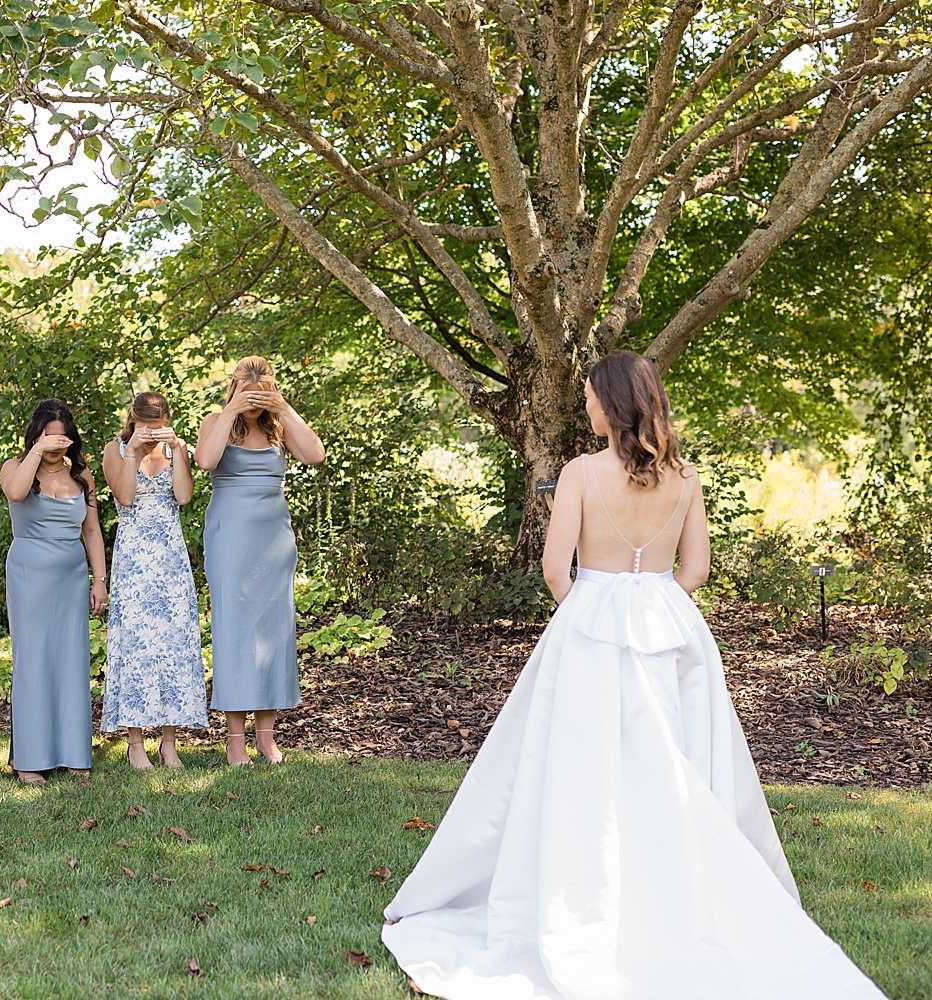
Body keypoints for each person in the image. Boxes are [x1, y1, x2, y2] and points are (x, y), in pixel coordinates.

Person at [381, 351, 888, 999]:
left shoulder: (580, 473)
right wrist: (650, 601)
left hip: (591, 622)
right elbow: (697, 571)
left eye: (591, 396)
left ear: (612, 404)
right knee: (670, 763)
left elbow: (555, 569)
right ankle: (673, 895)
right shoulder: (686, 477)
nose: (586, 406)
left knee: (579, 765)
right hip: (668, 624)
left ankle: (582, 893)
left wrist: (590, 613)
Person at [194, 357, 324, 765]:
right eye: (247, 393)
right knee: (234, 632)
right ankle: (235, 738)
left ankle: (266, 736)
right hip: (230, 539)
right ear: (233, 388)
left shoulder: (278, 425)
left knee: (273, 632)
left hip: (274, 541)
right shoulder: (216, 420)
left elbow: (315, 455)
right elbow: (205, 461)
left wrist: (283, 406)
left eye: (261, 392)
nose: (254, 402)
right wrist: (231, 409)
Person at [0, 398, 108, 785]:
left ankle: (73, 752)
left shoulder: (82, 476)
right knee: (34, 660)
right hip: (30, 576)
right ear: (36, 437)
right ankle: (29, 758)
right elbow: (14, 493)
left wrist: (99, 580)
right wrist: (37, 452)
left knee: (71, 660)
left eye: (62, 438)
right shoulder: (16, 467)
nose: (56, 445)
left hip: (72, 576)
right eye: (49, 437)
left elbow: (91, 530)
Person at [100, 391, 205, 771]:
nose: (154, 433)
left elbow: (184, 495)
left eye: (160, 426)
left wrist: (177, 451)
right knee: (136, 645)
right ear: (134, 420)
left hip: (170, 558)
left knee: (174, 644)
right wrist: (133, 450)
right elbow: (125, 497)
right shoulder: (116, 449)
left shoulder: (175, 447)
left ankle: (170, 742)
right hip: (134, 559)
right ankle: (134, 742)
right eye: (148, 426)